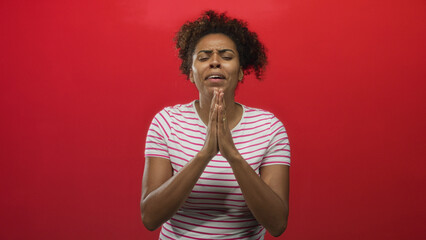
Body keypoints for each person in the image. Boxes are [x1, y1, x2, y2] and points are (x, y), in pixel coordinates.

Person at [140, 10, 290, 239]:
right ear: (191, 73)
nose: (215, 62)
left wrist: (232, 155)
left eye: (226, 56)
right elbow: (150, 217)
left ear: (240, 72)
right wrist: (205, 154)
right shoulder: (166, 123)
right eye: (203, 57)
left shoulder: (270, 128)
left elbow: (277, 223)